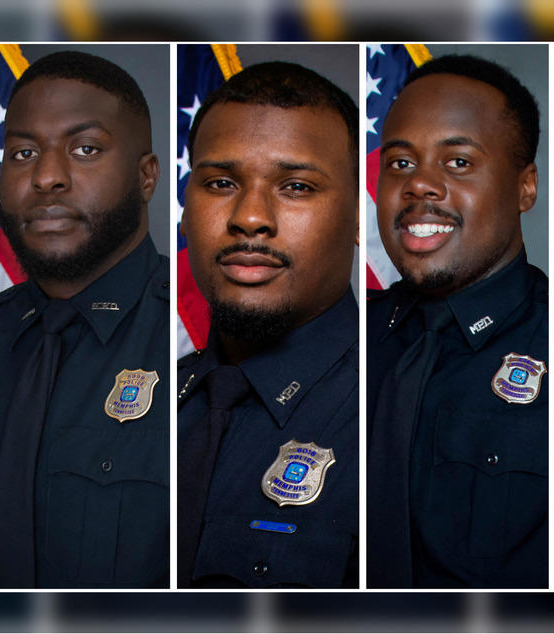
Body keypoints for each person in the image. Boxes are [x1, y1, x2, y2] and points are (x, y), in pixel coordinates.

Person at [0, 50, 169, 589]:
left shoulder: (200, 338)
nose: (46, 177)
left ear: (146, 177)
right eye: (22, 152)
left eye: (85, 149)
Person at [176, 61, 359, 588]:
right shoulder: (150, 405)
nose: (250, 216)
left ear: (356, 220)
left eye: (296, 186)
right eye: (221, 182)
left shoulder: (398, 403)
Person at [368, 54, 547, 589]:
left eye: (459, 162)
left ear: (525, 187)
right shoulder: (340, 340)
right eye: (399, 163)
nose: (420, 185)